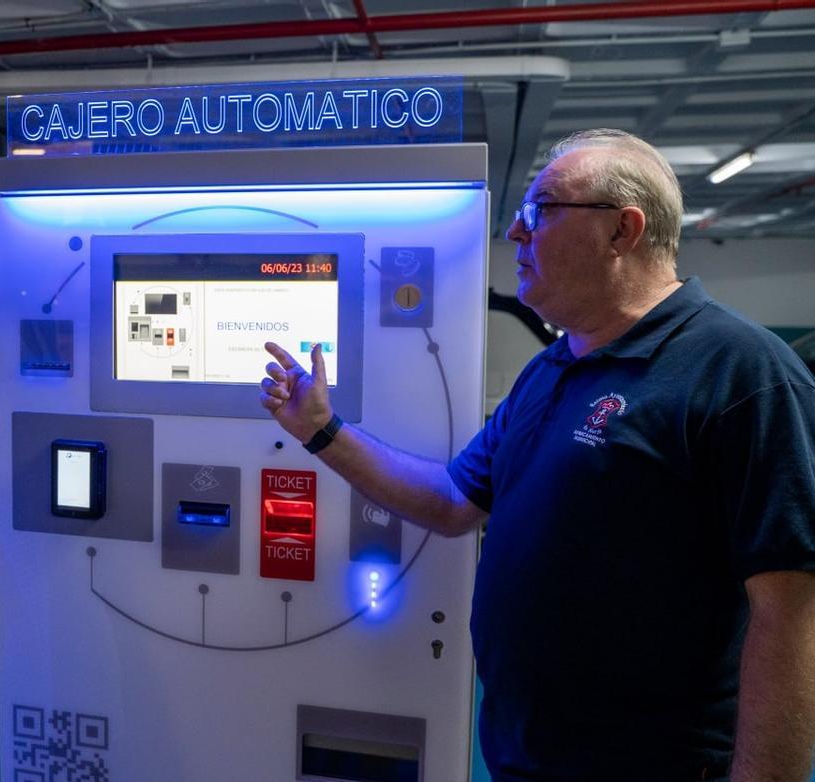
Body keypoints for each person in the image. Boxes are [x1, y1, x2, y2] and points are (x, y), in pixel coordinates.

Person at [260, 129, 815, 781]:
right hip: (525, 757)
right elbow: (450, 503)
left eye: (540, 212)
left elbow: (790, 615)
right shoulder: (551, 368)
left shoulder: (741, 375)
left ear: (622, 230)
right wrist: (322, 432)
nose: (516, 236)